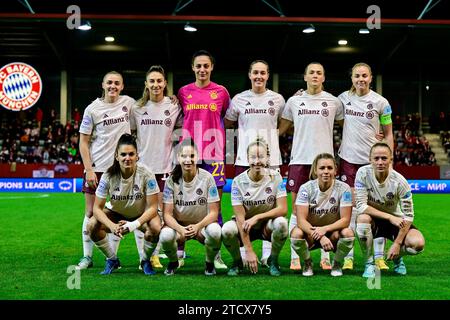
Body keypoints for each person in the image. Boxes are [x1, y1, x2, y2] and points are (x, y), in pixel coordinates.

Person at [278, 62, 344, 271]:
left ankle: (325, 256)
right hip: (299, 160)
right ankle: (295, 256)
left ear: (323, 78)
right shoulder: (294, 101)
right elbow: (280, 129)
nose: (315, 76)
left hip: (325, 162)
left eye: (319, 73)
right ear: (304, 77)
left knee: (326, 209)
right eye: (311, 73)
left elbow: (348, 129)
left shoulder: (334, 102)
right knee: (298, 210)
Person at [224, 59, 285, 266]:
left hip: (272, 160)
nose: (259, 76)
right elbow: (228, 122)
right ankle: (243, 253)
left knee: (269, 203)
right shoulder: (239, 99)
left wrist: (275, 137)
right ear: (249, 75)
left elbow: (287, 120)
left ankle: (267, 256)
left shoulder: (277, 99)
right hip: (244, 159)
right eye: (255, 73)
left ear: (268, 75)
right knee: (244, 207)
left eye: (263, 73)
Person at [77, 71, 138, 270]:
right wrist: (89, 169)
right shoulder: (92, 109)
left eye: (117, 83)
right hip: (97, 168)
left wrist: (170, 98)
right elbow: (83, 142)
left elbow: (149, 106)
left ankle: (112, 258)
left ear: (122, 86)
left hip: (121, 169)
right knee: (90, 212)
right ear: (103, 85)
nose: (113, 86)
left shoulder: (129, 103)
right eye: (109, 82)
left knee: (115, 213)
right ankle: (87, 257)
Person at [338, 63, 394, 271]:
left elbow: (388, 134)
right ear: (351, 78)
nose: (360, 79)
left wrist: (390, 160)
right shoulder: (343, 99)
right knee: (351, 209)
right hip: (348, 161)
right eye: (356, 76)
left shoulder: (381, 102)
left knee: (377, 208)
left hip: (373, 163)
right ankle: (348, 257)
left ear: (370, 78)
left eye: (364, 76)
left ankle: (378, 257)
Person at [177, 50, 230, 270]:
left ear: (211, 68)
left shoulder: (221, 92)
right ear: (193, 68)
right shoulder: (183, 92)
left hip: (214, 153)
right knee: (182, 203)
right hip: (188, 154)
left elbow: (223, 114)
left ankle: (215, 254)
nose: (202, 70)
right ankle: (179, 252)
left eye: (206, 66)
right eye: (198, 66)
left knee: (214, 204)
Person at [130, 65, 183, 269]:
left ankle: (155, 254)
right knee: (142, 214)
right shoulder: (137, 108)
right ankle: (143, 256)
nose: (155, 84)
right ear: (146, 84)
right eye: (151, 81)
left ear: (165, 83)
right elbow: (131, 134)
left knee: (160, 214)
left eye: (159, 81)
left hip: (165, 168)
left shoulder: (173, 105)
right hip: (142, 169)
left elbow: (179, 129)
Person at [87, 133, 161, 275]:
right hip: (116, 214)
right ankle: (112, 259)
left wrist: (134, 224)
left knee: (156, 227)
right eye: (123, 154)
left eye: (131, 154)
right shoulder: (108, 176)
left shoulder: (147, 174)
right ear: (117, 156)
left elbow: (153, 207)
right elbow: (97, 208)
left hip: (141, 214)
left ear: (137, 156)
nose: (127, 158)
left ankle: (145, 260)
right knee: (91, 225)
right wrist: (112, 226)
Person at [354, 142, 425, 277]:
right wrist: (389, 217)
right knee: (362, 219)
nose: (380, 162)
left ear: (391, 160)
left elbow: (408, 216)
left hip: (396, 222)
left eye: (384, 158)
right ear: (370, 160)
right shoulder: (362, 173)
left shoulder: (400, 182)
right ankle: (369, 264)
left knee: (418, 244)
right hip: (374, 220)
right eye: (376, 158)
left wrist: (397, 243)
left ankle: (398, 257)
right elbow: (361, 205)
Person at [222, 138, 288, 276]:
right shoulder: (238, 182)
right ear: (247, 159)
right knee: (227, 230)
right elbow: (240, 218)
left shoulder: (276, 177)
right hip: (245, 225)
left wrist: (257, 217)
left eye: (261, 157)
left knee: (282, 224)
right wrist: (249, 250)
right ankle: (237, 262)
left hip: (266, 225)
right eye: (253, 157)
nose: (257, 161)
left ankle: (273, 260)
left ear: (267, 158)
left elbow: (283, 209)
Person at [160, 139, 222, 276]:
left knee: (216, 231)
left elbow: (214, 213)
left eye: (192, 156)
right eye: (184, 156)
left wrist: (198, 226)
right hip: (179, 227)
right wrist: (180, 229)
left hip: (202, 226)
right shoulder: (171, 180)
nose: (188, 160)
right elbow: (167, 215)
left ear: (198, 157)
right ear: (178, 158)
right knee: (165, 236)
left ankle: (209, 263)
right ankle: (173, 261)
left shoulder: (208, 178)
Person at [290, 153, 354, 277]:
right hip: (311, 234)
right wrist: (320, 236)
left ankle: (337, 263)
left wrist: (324, 230)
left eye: (330, 168)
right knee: (296, 234)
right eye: (322, 168)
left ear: (335, 170)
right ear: (315, 170)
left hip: (333, 234)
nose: (326, 171)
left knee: (348, 233)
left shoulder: (344, 188)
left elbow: (345, 220)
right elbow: (301, 221)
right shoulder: (305, 188)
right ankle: (307, 262)